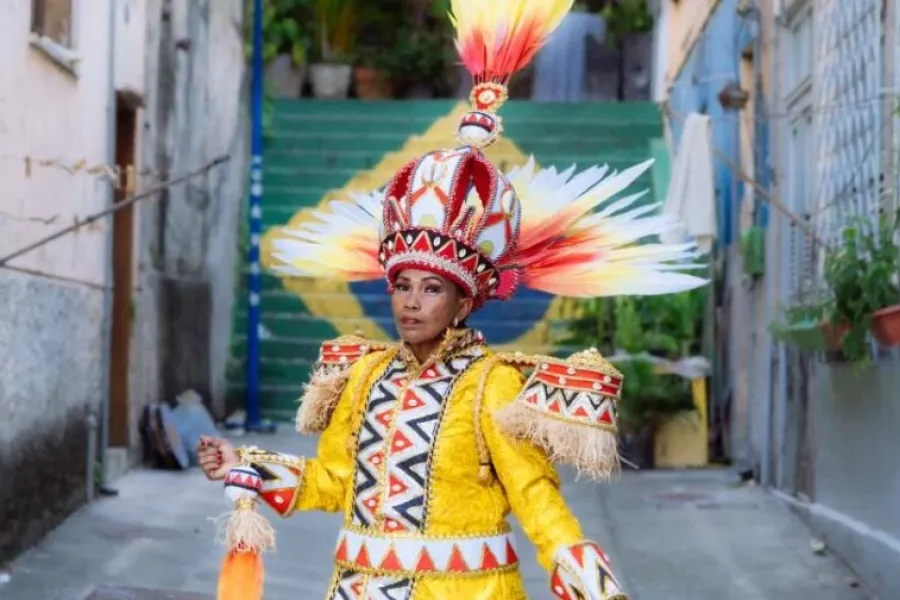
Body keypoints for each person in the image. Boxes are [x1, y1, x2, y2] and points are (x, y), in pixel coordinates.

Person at [199, 1, 706, 598]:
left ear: (464, 302)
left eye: (432, 288)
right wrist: (244, 466)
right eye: (402, 285)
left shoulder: (494, 386)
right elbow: (334, 480)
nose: (410, 303)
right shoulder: (362, 377)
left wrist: (590, 582)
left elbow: (535, 499)